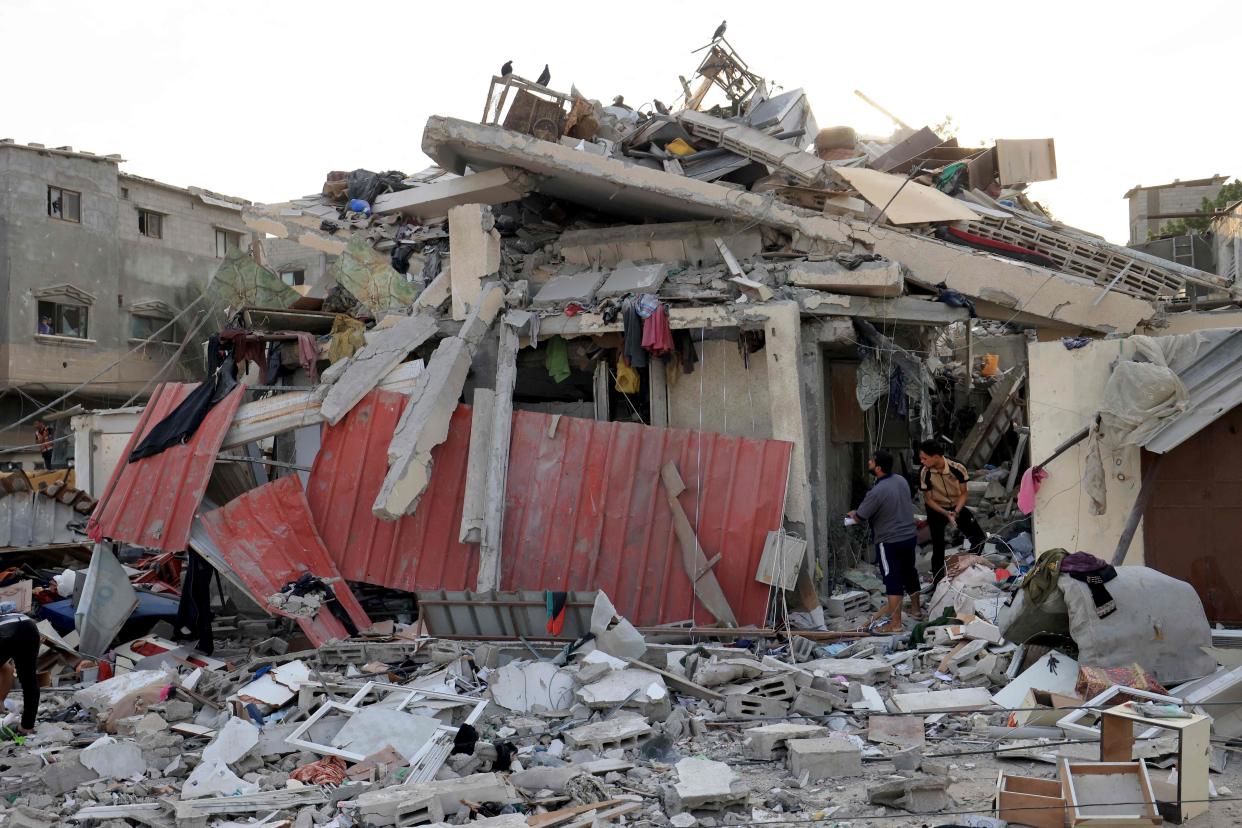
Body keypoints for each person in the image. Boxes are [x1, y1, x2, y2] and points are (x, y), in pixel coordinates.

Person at [848, 449, 920, 633]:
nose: (869, 463)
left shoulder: (877, 491)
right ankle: (916, 609)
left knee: (892, 579)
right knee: (909, 571)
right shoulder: (901, 480)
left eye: (871, 461)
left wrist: (853, 514)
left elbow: (860, 517)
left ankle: (895, 624)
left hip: (889, 541)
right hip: (909, 536)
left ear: (878, 468)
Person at [917, 439, 987, 585]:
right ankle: (938, 584)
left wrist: (955, 511)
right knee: (938, 547)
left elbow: (963, 493)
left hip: (957, 506)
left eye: (924, 458)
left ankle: (968, 568)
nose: (922, 461)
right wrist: (945, 513)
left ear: (936, 457)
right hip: (937, 509)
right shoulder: (924, 472)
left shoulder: (958, 467)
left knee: (979, 537)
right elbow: (928, 500)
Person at [0, 612, 41, 734]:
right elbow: (8, 669)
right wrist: (1, 699)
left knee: (29, 679)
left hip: (5, 631)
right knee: (29, 680)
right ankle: (27, 727)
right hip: (29, 625)